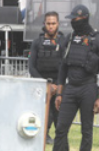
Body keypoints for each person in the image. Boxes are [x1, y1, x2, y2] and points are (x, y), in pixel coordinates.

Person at [53, 5, 99, 151]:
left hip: (88, 88)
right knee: (60, 129)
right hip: (70, 88)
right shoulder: (69, 39)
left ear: (83, 18)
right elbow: (63, 68)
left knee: (86, 131)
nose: (72, 22)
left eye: (75, 19)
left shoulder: (97, 40)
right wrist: (59, 93)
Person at [28, 12, 67, 145]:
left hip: (58, 85)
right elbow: (31, 67)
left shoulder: (63, 42)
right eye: (48, 23)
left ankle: (60, 140)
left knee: (59, 116)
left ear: (58, 24)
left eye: (53, 23)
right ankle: (43, 136)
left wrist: (57, 86)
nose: (51, 26)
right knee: (39, 115)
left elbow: (65, 65)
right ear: (44, 24)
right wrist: (45, 85)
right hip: (40, 85)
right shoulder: (37, 42)